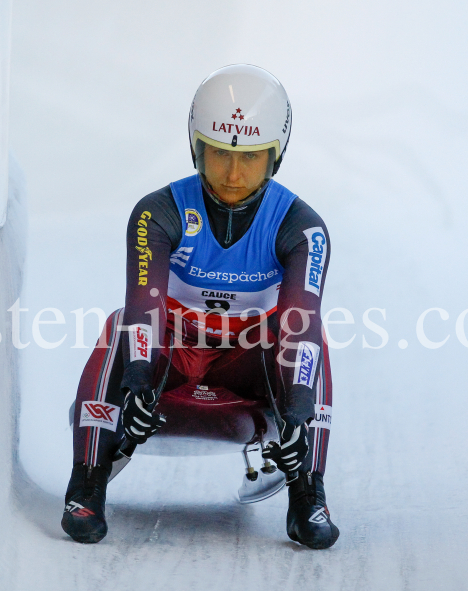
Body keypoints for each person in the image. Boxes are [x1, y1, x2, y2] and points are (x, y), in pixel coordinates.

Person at [62, 64, 339, 550]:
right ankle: (85, 483)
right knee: (118, 326)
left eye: (251, 159)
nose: (233, 175)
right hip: (173, 357)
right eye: (218, 155)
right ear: (196, 148)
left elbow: (301, 321)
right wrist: (140, 378)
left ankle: (308, 494)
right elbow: (143, 305)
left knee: (309, 342)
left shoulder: (303, 228)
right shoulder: (157, 211)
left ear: (276, 155)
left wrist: (296, 407)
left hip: (247, 362)